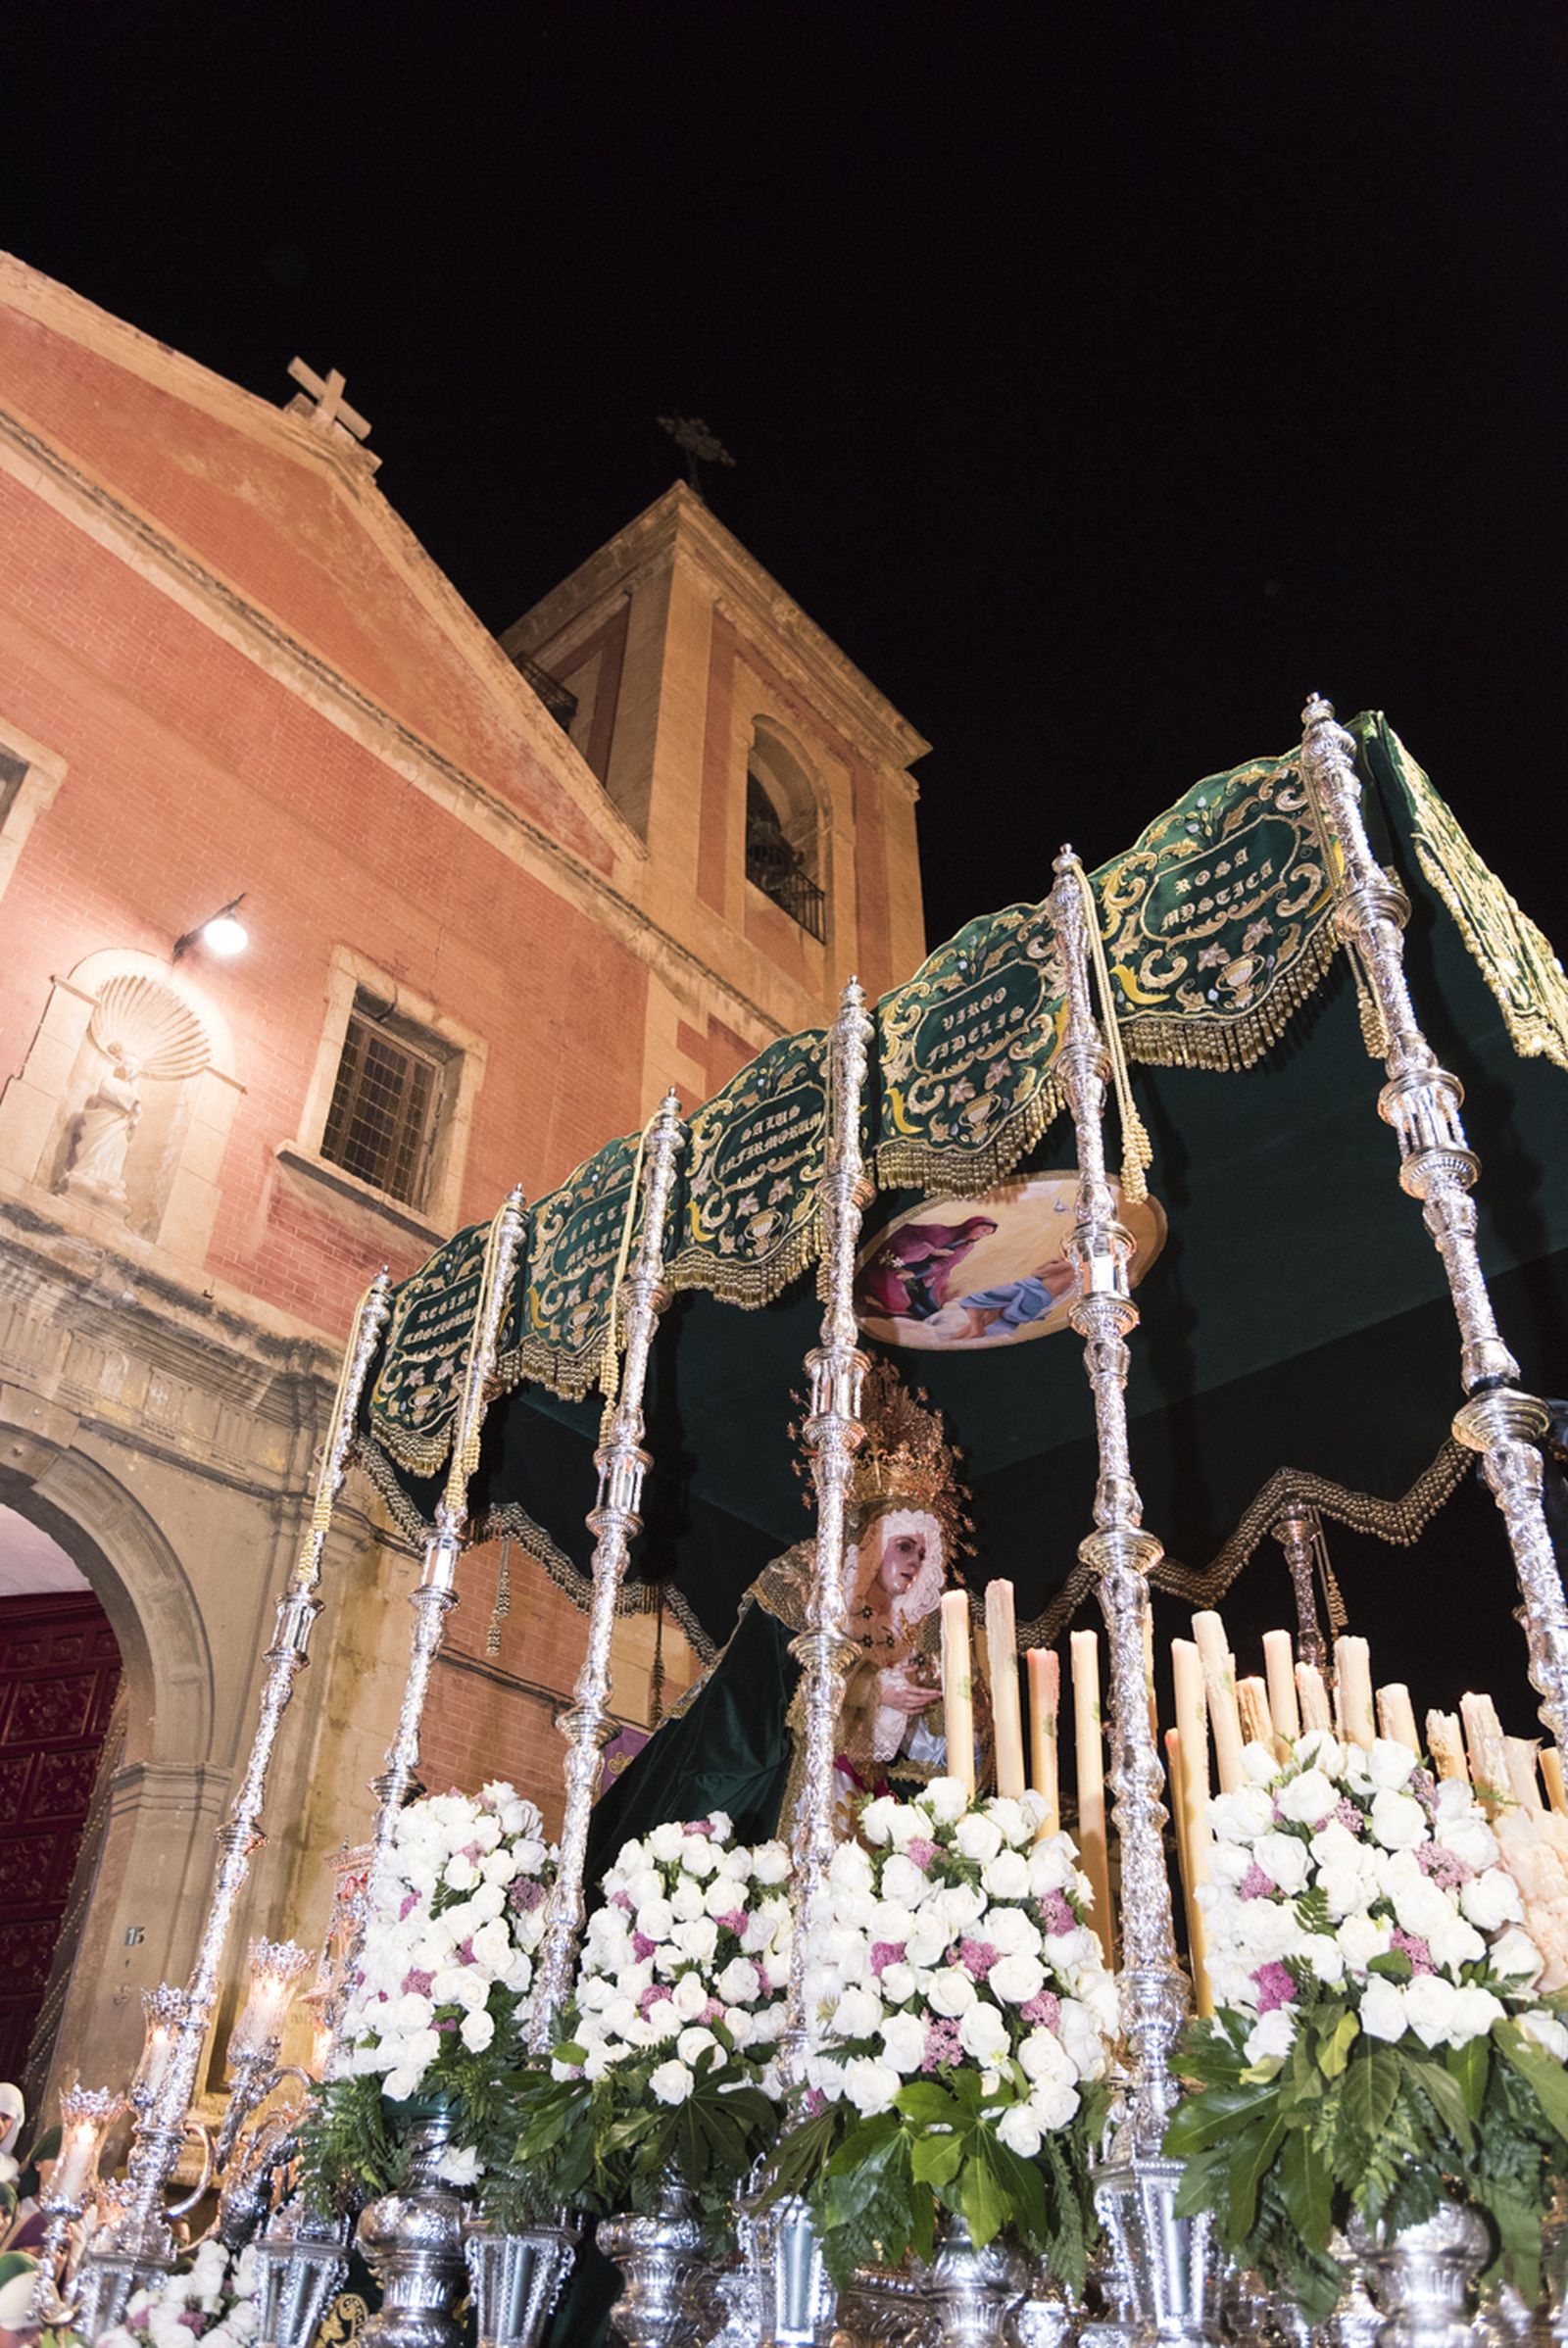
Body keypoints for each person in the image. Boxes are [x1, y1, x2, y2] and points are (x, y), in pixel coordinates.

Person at [585, 1362, 973, 1867]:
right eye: (905, 1546)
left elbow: (919, 1756)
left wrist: (934, 1711)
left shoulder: (911, 1631)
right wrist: (869, 1690)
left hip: (862, 1812)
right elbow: (760, 1680)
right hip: (788, 1781)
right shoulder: (808, 1574)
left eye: (923, 1553)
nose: (916, 1564)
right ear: (874, 1538)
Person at [857, 1215, 998, 1322]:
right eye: (983, 1230)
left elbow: (945, 1265)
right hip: (902, 1266)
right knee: (909, 1304)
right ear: (972, 1224)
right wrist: (932, 1250)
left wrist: (915, 1273)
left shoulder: (967, 1247)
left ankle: (935, 1325)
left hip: (927, 1275)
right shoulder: (939, 1231)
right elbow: (905, 1237)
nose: (982, 1235)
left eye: (986, 1234)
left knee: (932, 1307)